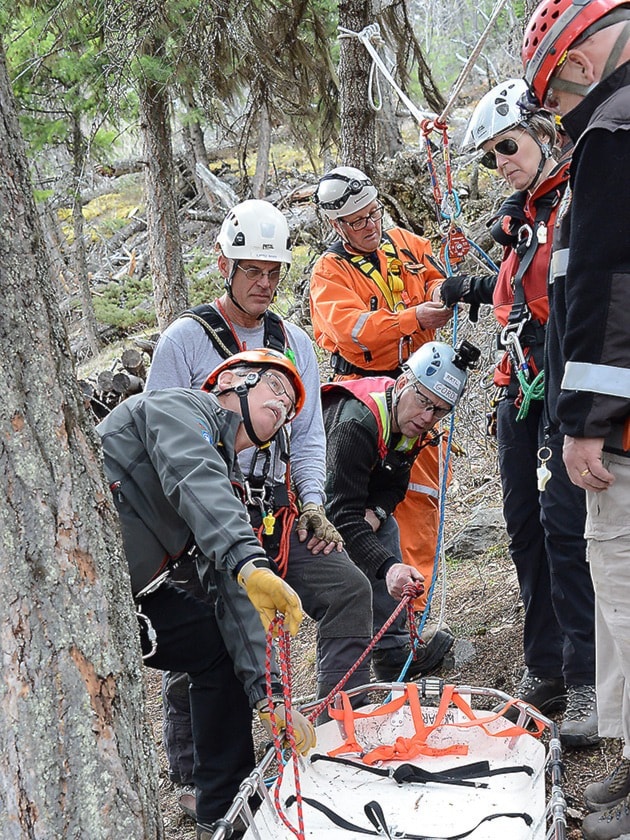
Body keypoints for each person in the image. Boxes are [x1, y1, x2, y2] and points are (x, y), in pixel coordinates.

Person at [145, 199, 373, 807]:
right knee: (206, 634)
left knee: (349, 590)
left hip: (276, 513)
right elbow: (158, 437)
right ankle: (199, 775)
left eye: (273, 272)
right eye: (252, 270)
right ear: (225, 263)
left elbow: (308, 435)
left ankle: (333, 726)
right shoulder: (185, 342)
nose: (265, 284)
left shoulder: (292, 340)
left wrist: (316, 504)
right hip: (203, 519)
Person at [97, 350, 316, 840]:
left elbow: (236, 596)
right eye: (276, 389)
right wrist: (246, 557)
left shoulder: (226, 480)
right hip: (79, 581)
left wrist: (271, 696)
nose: (285, 405)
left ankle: (224, 812)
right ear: (233, 380)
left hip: (123, 596)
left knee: (214, 646)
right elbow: (191, 472)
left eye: (291, 406)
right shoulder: (179, 407)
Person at [440, 78, 597, 748]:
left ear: (543, 132)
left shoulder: (579, 200)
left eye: (508, 145)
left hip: (559, 376)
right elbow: (516, 291)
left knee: (565, 529)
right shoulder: (526, 214)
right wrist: (468, 287)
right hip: (519, 385)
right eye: (492, 155)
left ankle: (588, 676)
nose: (501, 160)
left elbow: (570, 299)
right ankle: (546, 667)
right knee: (526, 527)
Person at [522, 0, 630, 836]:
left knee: (624, 590)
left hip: (619, 429)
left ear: (580, 62)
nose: (559, 114)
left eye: (554, 96)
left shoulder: (614, 133)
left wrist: (586, 418)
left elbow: (603, 285)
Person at [309, 165, 456, 661]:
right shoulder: (330, 274)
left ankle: (407, 625)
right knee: (359, 512)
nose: (369, 225)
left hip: (424, 390)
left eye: (372, 214)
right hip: (370, 391)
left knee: (417, 499)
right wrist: (415, 317)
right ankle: (383, 633)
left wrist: (440, 295)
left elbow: (438, 279)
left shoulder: (406, 245)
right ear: (337, 226)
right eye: (355, 221)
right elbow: (357, 330)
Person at [321, 341, 478, 680]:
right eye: (423, 402)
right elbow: (339, 514)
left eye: (439, 411)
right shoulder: (356, 423)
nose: (426, 418)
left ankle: (392, 652)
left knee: (387, 528)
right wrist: (388, 567)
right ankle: (344, 675)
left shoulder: (411, 424)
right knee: (351, 584)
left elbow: (394, 484)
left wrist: (375, 514)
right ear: (405, 382)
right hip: (304, 507)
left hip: (350, 503)